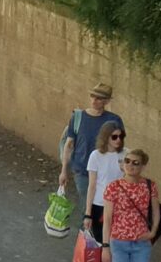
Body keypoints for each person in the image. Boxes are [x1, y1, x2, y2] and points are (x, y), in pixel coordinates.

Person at [53, 84, 123, 226]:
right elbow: (69, 144)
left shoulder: (114, 120)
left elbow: (118, 146)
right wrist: (64, 171)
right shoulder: (78, 117)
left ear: (107, 101)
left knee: (106, 208)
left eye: (99, 98)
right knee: (88, 208)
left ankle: (102, 241)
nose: (94, 100)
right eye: (92, 96)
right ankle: (86, 240)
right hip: (82, 171)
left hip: (106, 172)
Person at [82, 122, 128, 262]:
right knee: (103, 248)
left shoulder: (126, 155)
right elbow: (92, 185)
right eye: (114, 137)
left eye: (120, 136)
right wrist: (88, 212)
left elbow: (131, 179)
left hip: (120, 207)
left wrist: (124, 167)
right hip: (100, 206)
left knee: (117, 247)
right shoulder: (96, 156)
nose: (118, 141)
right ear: (106, 137)